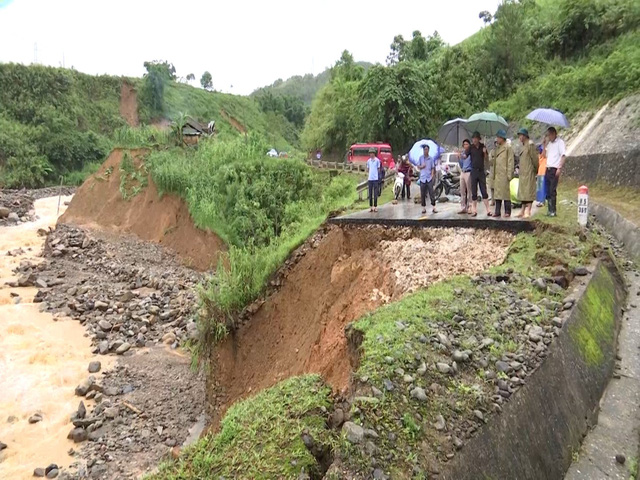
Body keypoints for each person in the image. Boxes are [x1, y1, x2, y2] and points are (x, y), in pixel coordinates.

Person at [491, 129, 515, 218]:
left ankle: (507, 211)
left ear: (502, 138)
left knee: (505, 194)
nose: (497, 139)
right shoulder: (497, 148)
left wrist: (509, 174)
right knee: (497, 193)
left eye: (498, 137)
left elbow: (510, 161)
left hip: (504, 173)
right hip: (497, 174)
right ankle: (497, 211)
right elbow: (493, 161)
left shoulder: (508, 147)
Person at [515, 128, 539, 218]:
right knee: (523, 192)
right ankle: (522, 210)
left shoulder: (530, 145)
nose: (519, 137)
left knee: (528, 191)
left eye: (521, 135)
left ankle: (528, 210)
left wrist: (535, 170)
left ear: (525, 136)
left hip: (529, 172)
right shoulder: (523, 146)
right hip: (523, 172)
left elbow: (535, 159)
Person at [542, 126, 565, 217]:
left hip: (554, 168)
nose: (549, 137)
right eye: (548, 135)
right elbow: (544, 155)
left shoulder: (560, 142)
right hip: (547, 168)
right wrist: (544, 145)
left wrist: (559, 168)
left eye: (550, 135)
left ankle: (553, 210)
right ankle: (549, 209)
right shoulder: (549, 144)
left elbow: (563, 155)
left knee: (552, 189)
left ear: (554, 133)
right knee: (547, 190)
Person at [468, 131, 491, 217]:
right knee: (474, 191)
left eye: (475, 138)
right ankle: (474, 210)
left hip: (481, 171)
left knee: (484, 190)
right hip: (473, 171)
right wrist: (460, 155)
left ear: (478, 139)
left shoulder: (482, 146)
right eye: (473, 138)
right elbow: (465, 155)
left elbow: (486, 158)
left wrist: (484, 152)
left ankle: (488, 210)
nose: (474, 140)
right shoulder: (471, 147)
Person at [417, 144, 437, 215]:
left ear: (428, 150)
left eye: (426, 149)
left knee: (431, 192)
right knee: (423, 193)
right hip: (422, 178)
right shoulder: (420, 158)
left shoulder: (431, 159)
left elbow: (432, 168)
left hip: (429, 178)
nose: (425, 151)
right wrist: (422, 166)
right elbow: (418, 166)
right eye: (424, 149)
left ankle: (433, 207)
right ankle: (423, 207)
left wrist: (432, 175)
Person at [458, 139, 473, 214]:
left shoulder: (470, 153)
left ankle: (470, 206)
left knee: (469, 191)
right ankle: (463, 207)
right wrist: (458, 158)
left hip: (468, 172)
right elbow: (461, 165)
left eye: (467, 144)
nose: (465, 146)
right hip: (463, 172)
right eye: (464, 144)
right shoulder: (463, 153)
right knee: (462, 191)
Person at [366, 147, 381, 212]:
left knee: (375, 193)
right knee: (370, 193)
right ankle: (371, 206)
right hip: (370, 179)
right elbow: (368, 169)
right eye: (370, 153)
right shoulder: (368, 161)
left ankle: (375, 206)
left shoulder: (377, 160)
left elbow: (378, 169)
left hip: (375, 178)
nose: (371, 154)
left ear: (374, 153)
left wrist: (377, 176)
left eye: (372, 153)